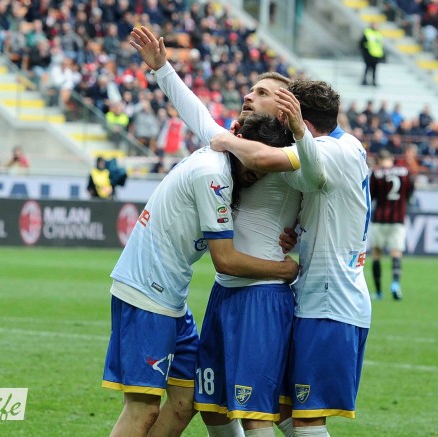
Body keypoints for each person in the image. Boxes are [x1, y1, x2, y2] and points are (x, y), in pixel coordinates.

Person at [131, 26, 302, 436]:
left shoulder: (297, 156)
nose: (249, 95)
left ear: (284, 109)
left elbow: (325, 195)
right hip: (225, 292)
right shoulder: (234, 141)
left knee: (263, 413)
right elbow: (196, 113)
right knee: (213, 407)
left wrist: (299, 243)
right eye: (252, 89)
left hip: (262, 293)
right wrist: (162, 69)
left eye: (262, 93)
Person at [101, 113, 299, 437]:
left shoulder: (223, 162)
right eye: (255, 161)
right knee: (143, 408)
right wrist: (285, 270)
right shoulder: (214, 174)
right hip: (147, 293)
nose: (258, 172)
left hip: (171, 298)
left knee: (186, 398)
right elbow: (225, 260)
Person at [211, 78, 372, 436]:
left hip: (331, 304)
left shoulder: (329, 150)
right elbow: (323, 199)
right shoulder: (349, 145)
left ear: (299, 117)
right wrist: (297, 230)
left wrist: (227, 140)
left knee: (307, 420)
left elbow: (272, 162)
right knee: (284, 409)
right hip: (320, 298)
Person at [369, 148, 415, 300]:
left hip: (380, 219)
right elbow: (411, 191)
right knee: (396, 252)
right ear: (392, 159)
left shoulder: (376, 173)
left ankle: (378, 292)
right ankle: (395, 284)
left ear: (379, 160)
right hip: (398, 219)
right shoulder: (404, 172)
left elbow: (371, 195)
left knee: (376, 254)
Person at [360, 21, 384, 87]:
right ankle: (364, 80)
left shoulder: (378, 34)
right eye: (374, 25)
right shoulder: (367, 32)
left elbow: (380, 45)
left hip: (376, 54)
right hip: (368, 54)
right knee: (367, 68)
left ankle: (374, 81)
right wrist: (365, 51)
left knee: (375, 69)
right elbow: (362, 43)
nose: (376, 26)